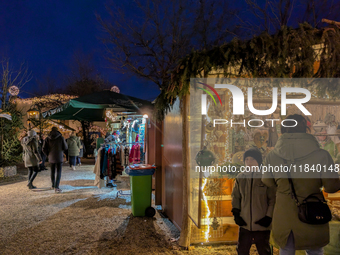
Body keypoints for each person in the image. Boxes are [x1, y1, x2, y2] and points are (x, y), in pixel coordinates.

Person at [262, 114, 340, 254]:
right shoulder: (322, 155)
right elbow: (332, 187)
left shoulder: (272, 156)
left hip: (284, 214)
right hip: (313, 210)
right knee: (315, 250)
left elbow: (268, 182)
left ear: (283, 130)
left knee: (286, 250)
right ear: (305, 129)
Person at [231, 148, 276, 255]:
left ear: (259, 161)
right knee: (242, 250)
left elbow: (273, 199)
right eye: (247, 159)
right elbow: (236, 197)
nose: (249, 162)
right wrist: (236, 213)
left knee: (264, 250)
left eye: (252, 159)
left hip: (262, 224)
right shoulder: (240, 177)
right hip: (245, 224)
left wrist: (268, 217)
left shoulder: (265, 177)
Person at [43, 127, 68, 193]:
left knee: (52, 171)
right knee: (59, 172)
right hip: (59, 157)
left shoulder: (47, 138)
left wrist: (48, 154)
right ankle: (57, 187)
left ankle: (53, 185)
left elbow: (43, 148)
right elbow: (65, 147)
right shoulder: (61, 138)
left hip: (51, 157)